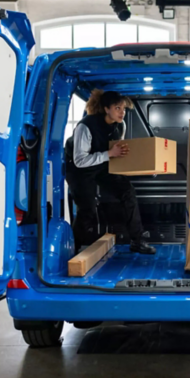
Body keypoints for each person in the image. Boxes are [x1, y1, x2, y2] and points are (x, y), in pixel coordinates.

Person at [64, 89, 157, 255]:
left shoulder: (120, 125)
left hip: (102, 164)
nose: (122, 112)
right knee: (87, 209)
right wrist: (109, 154)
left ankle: (137, 241)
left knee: (127, 192)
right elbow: (80, 161)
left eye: (124, 109)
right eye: (117, 108)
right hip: (79, 170)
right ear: (106, 109)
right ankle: (74, 248)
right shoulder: (86, 126)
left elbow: (117, 151)